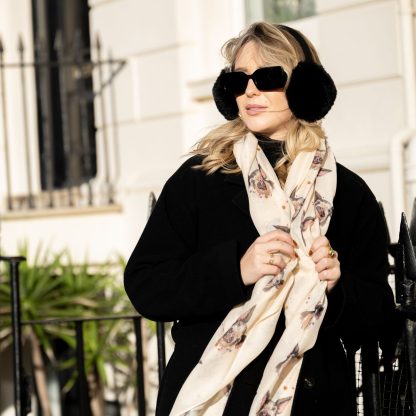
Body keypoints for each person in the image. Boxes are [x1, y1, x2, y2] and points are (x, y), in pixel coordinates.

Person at [124, 22, 395, 416]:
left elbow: (381, 320)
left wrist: (337, 288)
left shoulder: (350, 194)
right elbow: (145, 285)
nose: (250, 91)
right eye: (238, 80)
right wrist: (236, 269)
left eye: (268, 78)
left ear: (306, 87)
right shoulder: (201, 179)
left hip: (312, 401)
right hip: (217, 400)